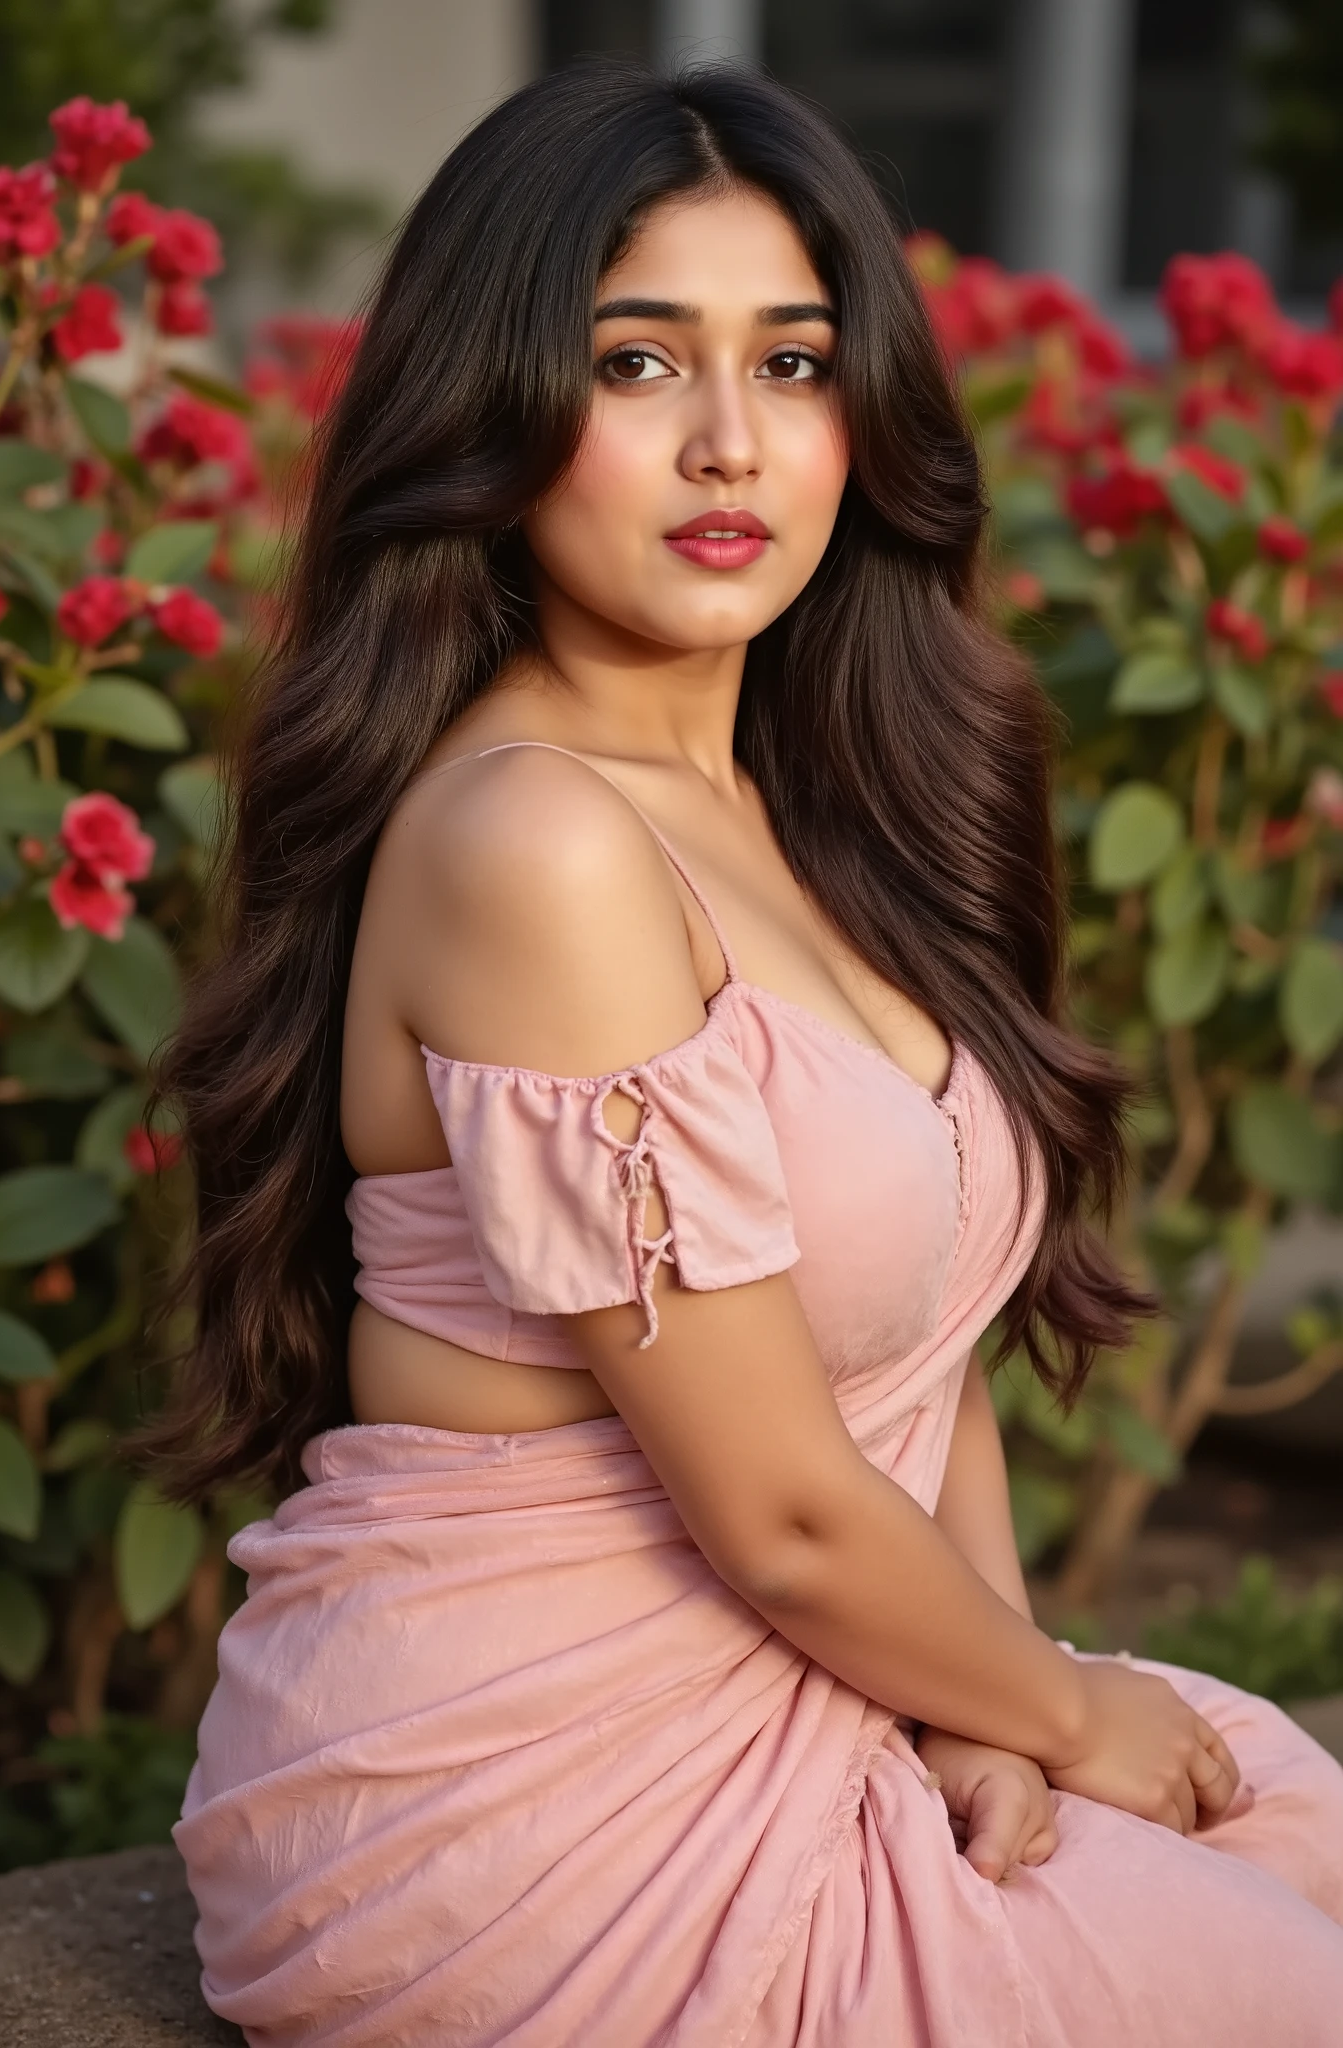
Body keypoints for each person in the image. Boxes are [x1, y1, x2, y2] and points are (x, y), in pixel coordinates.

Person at [141, 59, 1343, 2048]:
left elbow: (915, 1367)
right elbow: (779, 1503)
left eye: (792, 365)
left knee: (1285, 1832)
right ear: (500, 406)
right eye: (637, 365)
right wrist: (1052, 1710)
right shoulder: (532, 839)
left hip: (811, 1670)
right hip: (516, 1804)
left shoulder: (806, 814)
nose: (730, 444)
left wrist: (999, 1703)